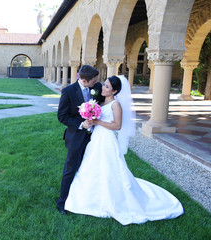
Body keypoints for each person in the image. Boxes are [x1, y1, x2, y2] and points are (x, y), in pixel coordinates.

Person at [64, 75, 184, 225]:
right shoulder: (100, 102)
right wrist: (89, 119)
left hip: (107, 139)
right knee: (91, 166)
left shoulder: (116, 105)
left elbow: (117, 126)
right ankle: (84, 199)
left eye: (107, 86)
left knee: (109, 169)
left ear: (114, 91)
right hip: (96, 138)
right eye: (104, 85)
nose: (103, 88)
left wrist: (97, 121)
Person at [56, 64, 105, 214]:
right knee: (70, 169)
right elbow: (62, 116)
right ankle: (62, 203)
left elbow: (103, 99)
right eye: (93, 81)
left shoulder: (96, 87)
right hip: (76, 137)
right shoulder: (68, 92)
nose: (96, 83)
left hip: (95, 136)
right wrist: (81, 124)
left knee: (89, 168)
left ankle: (85, 199)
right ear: (83, 81)